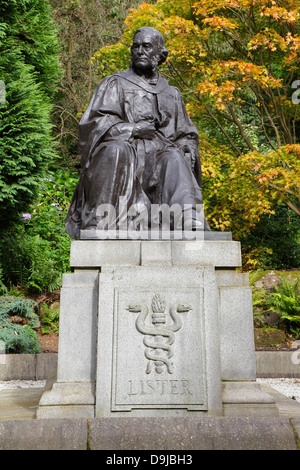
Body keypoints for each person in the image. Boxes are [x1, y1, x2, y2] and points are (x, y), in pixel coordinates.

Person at [65, 26, 210, 238]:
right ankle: (102, 220)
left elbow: (185, 133)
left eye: (147, 46)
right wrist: (133, 130)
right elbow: (94, 124)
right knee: (117, 150)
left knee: (175, 157)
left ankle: (187, 218)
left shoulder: (172, 93)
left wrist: (188, 146)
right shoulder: (115, 83)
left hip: (159, 158)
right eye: (136, 47)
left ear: (161, 54)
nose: (140, 51)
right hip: (126, 152)